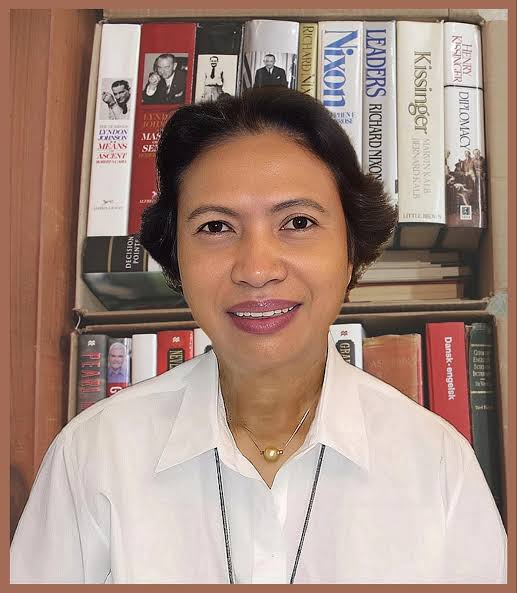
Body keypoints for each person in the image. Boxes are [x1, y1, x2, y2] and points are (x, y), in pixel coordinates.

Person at [10, 88, 506, 584]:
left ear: (351, 249)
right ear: (177, 257)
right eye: (216, 227)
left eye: (298, 222)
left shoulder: (438, 465)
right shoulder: (95, 456)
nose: (256, 269)